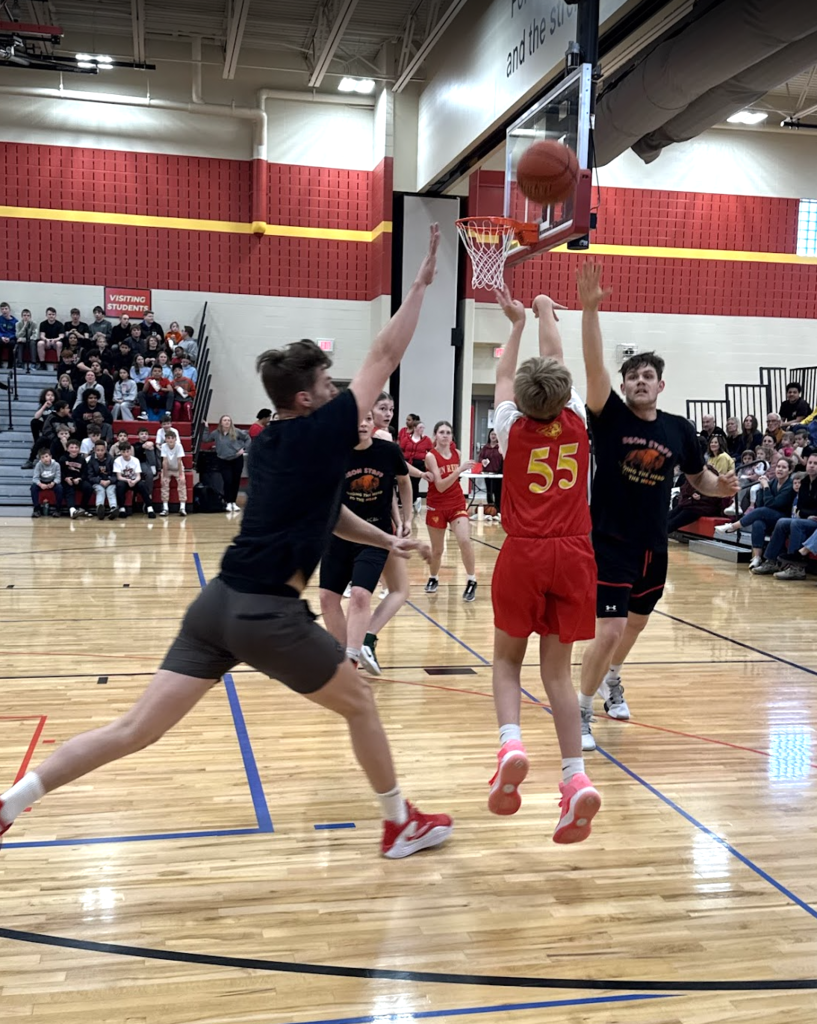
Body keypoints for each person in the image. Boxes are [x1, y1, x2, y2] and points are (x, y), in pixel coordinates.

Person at [0, 224, 454, 861]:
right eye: (329, 385)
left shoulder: (266, 445)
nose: (339, 393)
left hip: (216, 605)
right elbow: (384, 352)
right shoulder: (322, 430)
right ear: (306, 398)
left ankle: (11, 802)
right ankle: (399, 823)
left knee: (135, 728)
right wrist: (422, 284)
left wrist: (384, 537)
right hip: (267, 613)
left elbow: (327, 515)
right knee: (360, 704)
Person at [576, 262, 737, 750]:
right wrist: (590, 310)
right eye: (633, 376)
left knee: (636, 624)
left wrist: (722, 488)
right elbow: (594, 367)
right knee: (609, 629)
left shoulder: (679, 429)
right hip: (610, 542)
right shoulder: (608, 416)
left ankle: (613, 680)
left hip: (654, 544)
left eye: (648, 376)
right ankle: (580, 712)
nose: (640, 381)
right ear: (624, 386)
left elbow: (699, 478)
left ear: (661, 385)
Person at [488, 284, 600, 843]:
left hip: (525, 549)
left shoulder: (511, 427)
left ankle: (511, 744)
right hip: (575, 551)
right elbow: (555, 356)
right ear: (562, 392)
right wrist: (544, 309)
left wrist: (514, 324)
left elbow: (505, 376)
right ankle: (575, 778)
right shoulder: (578, 417)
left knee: (507, 661)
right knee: (557, 673)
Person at [319, 410, 412, 672]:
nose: (362, 423)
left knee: (360, 595)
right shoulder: (335, 453)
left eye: (368, 419)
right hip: (339, 534)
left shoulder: (388, 452)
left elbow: (404, 482)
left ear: (373, 423)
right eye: (357, 418)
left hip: (374, 535)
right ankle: (345, 652)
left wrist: (406, 518)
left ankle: (351, 661)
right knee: (326, 598)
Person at [424, 421, 479, 601]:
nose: (445, 435)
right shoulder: (431, 456)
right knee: (437, 550)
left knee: (464, 540)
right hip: (436, 505)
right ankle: (433, 577)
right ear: (435, 435)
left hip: (456, 503)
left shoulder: (457, 453)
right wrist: (459, 470)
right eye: (441, 432)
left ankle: (471, 580)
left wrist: (460, 471)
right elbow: (440, 486)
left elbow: (453, 481)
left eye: (448, 432)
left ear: (452, 436)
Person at [714, 456, 794, 567]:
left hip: (784, 518)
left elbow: (773, 504)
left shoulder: (790, 486)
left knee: (762, 511)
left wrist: (766, 487)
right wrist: (761, 487)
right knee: (758, 523)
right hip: (770, 516)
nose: (780, 469)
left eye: (784, 467)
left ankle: (733, 526)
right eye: (778, 466)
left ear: (790, 470)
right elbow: (760, 504)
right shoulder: (773, 482)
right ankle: (757, 557)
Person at [747, 453, 817, 578]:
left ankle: (795, 567)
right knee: (782, 522)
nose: (811, 466)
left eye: (815, 463)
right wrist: (806, 514)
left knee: (796, 523)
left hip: (814, 521)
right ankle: (771, 561)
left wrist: (809, 514)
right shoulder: (804, 482)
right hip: (806, 518)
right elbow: (801, 507)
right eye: (810, 462)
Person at [200, 415, 250, 513]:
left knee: (235, 481)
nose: (227, 422)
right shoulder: (216, 433)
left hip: (236, 459)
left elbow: (247, 438)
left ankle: (233, 502)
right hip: (223, 460)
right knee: (228, 480)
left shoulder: (237, 431)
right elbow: (205, 439)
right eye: (225, 420)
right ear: (221, 422)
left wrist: (243, 449)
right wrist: (206, 428)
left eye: (228, 420)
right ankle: (228, 502)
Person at [668, 464, 728, 535]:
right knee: (668, 516)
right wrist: (691, 494)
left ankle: (659, 536)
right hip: (688, 504)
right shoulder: (693, 478)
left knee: (674, 522)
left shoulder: (713, 480)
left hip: (701, 508)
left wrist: (700, 498)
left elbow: (715, 498)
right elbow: (684, 490)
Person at [113, 442, 156, 518]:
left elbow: (138, 476)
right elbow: (119, 477)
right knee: (120, 485)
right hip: (124, 481)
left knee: (142, 485)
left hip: (134, 480)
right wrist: (127, 480)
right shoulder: (117, 461)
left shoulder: (135, 460)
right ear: (120, 452)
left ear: (130, 451)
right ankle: (122, 508)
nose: (126, 454)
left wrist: (134, 481)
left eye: (127, 451)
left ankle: (150, 508)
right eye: (123, 452)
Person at [399, 418, 433, 509]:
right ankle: (406, 500)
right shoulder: (407, 439)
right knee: (407, 481)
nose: (422, 429)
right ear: (415, 428)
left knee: (414, 482)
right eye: (420, 427)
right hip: (408, 463)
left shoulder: (426, 440)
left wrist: (426, 460)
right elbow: (401, 449)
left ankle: (413, 500)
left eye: (423, 428)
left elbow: (431, 451)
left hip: (419, 464)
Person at [60, 439, 93, 518]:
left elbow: (85, 472)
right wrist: (65, 478)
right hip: (67, 481)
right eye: (72, 447)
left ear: (79, 449)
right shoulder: (63, 459)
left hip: (78, 480)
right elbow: (60, 472)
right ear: (67, 449)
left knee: (88, 487)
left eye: (76, 447)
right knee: (69, 490)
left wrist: (79, 479)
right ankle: (72, 510)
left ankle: (82, 509)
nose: (74, 449)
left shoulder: (82, 459)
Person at [159, 427, 188, 517]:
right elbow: (164, 461)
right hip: (167, 468)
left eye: (172, 438)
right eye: (168, 438)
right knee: (164, 484)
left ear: (175, 439)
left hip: (177, 468)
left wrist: (181, 475)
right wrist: (165, 476)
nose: (170, 440)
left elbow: (179, 461)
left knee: (182, 484)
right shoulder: (164, 446)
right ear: (165, 440)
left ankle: (182, 508)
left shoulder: (179, 446)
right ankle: (165, 508)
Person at [87, 441, 118, 518]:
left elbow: (115, 475)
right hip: (97, 482)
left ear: (105, 450)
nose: (100, 452)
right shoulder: (91, 460)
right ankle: (99, 508)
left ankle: (113, 508)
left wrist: (109, 481)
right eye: (98, 450)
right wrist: (99, 481)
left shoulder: (111, 459)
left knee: (110, 491)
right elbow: (90, 476)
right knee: (100, 490)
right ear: (94, 450)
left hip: (109, 482)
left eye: (102, 450)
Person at [477, 428, 503, 513]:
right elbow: (480, 457)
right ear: (489, 436)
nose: (493, 436)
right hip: (487, 472)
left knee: (497, 491)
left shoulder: (500, 447)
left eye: (495, 434)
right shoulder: (485, 447)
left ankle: (498, 509)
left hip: (498, 473)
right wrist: (482, 461)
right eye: (492, 434)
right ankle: (490, 508)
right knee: (489, 491)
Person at [30, 449, 63, 518]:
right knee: (33, 487)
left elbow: (58, 478)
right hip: (42, 482)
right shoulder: (38, 465)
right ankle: (37, 509)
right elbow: (35, 478)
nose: (45, 459)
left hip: (52, 482)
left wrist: (53, 483)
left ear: (50, 456)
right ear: (40, 459)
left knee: (59, 488)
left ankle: (58, 510)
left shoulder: (56, 465)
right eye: (42, 457)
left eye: (46, 456)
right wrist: (40, 484)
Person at [0, 301, 18, 367]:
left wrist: (9, 338)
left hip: (11, 338)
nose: (4, 311)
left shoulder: (15, 321)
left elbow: (16, 333)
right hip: (1, 338)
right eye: (2, 309)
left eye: (6, 309)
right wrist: (1, 337)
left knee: (12, 344)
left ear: (9, 310)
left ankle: (10, 365)